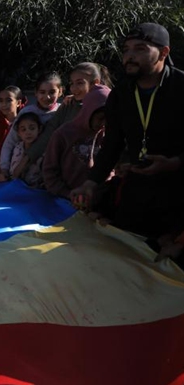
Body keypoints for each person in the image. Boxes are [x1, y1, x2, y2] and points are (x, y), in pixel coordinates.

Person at [71, 23, 184, 246]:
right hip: (138, 189)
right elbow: (112, 145)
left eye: (140, 49)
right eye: (126, 49)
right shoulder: (121, 94)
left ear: (164, 52)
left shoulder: (181, 87)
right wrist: (91, 183)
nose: (130, 56)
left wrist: (174, 163)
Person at [26, 63, 112, 165]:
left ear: (95, 83)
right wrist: (27, 159)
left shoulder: (107, 108)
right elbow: (49, 133)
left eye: (79, 83)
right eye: (72, 83)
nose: (74, 88)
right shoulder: (68, 105)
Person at [43, 85, 110, 198]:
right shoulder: (64, 134)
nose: (103, 123)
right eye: (100, 118)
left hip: (94, 198)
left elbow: (109, 168)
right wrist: (67, 194)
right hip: (63, 199)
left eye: (108, 119)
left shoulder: (105, 135)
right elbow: (49, 171)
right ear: (88, 112)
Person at [0, 72, 64, 180]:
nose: (47, 97)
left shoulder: (62, 112)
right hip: (21, 170)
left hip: (49, 173)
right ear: (36, 92)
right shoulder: (26, 112)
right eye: (42, 92)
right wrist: (4, 169)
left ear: (60, 91)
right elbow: (10, 142)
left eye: (52, 92)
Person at [5, 112, 43, 186]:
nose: (28, 132)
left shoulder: (44, 150)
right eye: (23, 129)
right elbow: (14, 174)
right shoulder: (18, 148)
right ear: (18, 133)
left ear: (39, 129)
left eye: (32, 128)